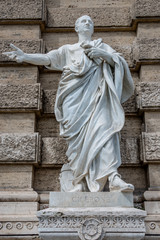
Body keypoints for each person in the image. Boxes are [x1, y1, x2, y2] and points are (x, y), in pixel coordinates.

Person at [3, 15, 134, 192]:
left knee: (106, 131)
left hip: (98, 99)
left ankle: (113, 177)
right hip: (73, 102)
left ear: (93, 29)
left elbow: (120, 63)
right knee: (76, 143)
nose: (87, 23)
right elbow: (48, 59)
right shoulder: (68, 50)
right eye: (83, 21)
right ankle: (78, 181)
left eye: (90, 22)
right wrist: (25, 56)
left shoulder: (102, 47)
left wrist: (104, 55)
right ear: (76, 28)